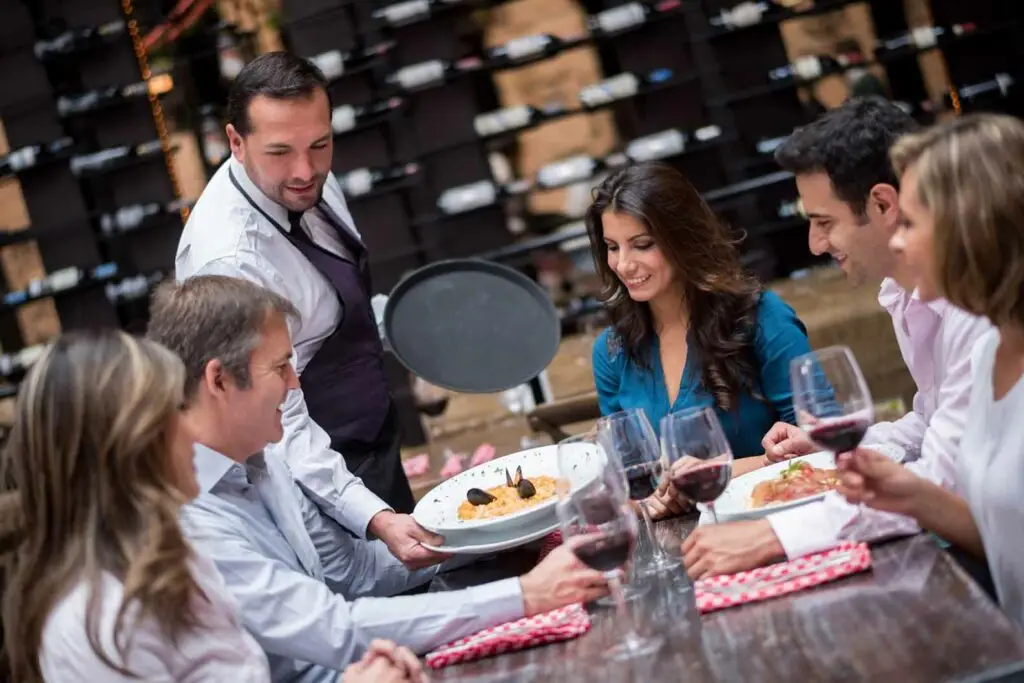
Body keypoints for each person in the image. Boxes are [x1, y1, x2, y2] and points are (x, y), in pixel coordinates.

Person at [146, 275, 609, 681]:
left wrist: (511, 528)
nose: (295, 385)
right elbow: (335, 627)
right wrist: (525, 595)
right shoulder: (187, 523)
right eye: (280, 366)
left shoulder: (263, 461)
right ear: (219, 380)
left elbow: (356, 573)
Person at [679, 97, 990, 579]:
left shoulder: (973, 305)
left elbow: (941, 479)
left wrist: (773, 538)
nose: (815, 245)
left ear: (883, 204)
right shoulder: (902, 291)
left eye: (823, 222)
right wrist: (827, 445)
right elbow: (934, 421)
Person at [175, 51, 435, 566]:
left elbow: (332, 310)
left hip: (373, 436)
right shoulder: (229, 260)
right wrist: (374, 516)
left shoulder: (308, 176)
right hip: (311, 482)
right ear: (235, 142)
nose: (305, 170)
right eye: (280, 152)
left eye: (320, 144)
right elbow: (278, 425)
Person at [837, 114, 1024, 628]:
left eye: (912, 223)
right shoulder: (993, 351)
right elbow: (1005, 539)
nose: (896, 241)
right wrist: (911, 495)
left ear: (974, 227)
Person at [0, 330, 270, 682]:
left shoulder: (162, 550)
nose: (194, 432)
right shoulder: (97, 625)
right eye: (173, 415)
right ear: (127, 448)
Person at [587, 162, 812, 464]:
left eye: (642, 245)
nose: (624, 264)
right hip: (677, 514)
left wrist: (720, 472)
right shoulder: (611, 351)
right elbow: (629, 475)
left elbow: (820, 437)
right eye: (612, 247)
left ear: (683, 239)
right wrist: (659, 497)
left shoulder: (762, 317)